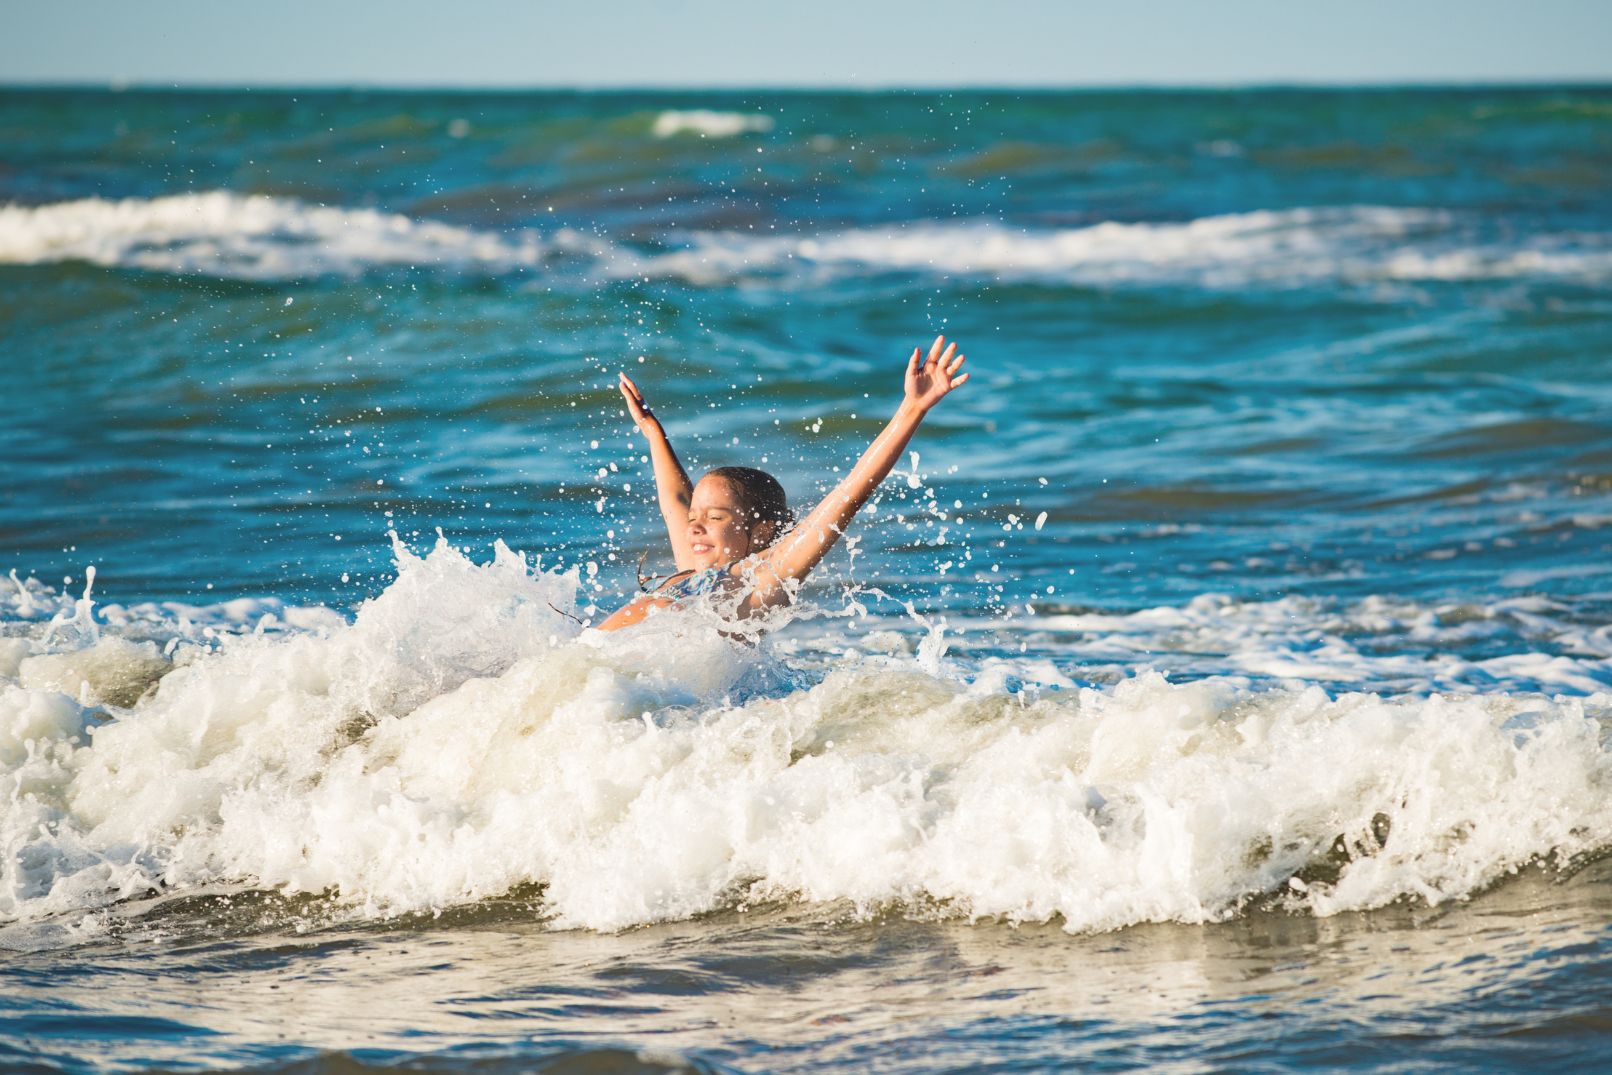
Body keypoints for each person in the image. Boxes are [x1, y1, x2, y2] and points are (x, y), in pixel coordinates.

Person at [597, 335, 969, 631]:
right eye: (696, 515)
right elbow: (675, 499)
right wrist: (653, 433)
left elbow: (850, 493)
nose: (693, 525)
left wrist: (912, 409)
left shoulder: (758, 586)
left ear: (760, 533)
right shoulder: (696, 573)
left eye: (716, 518)